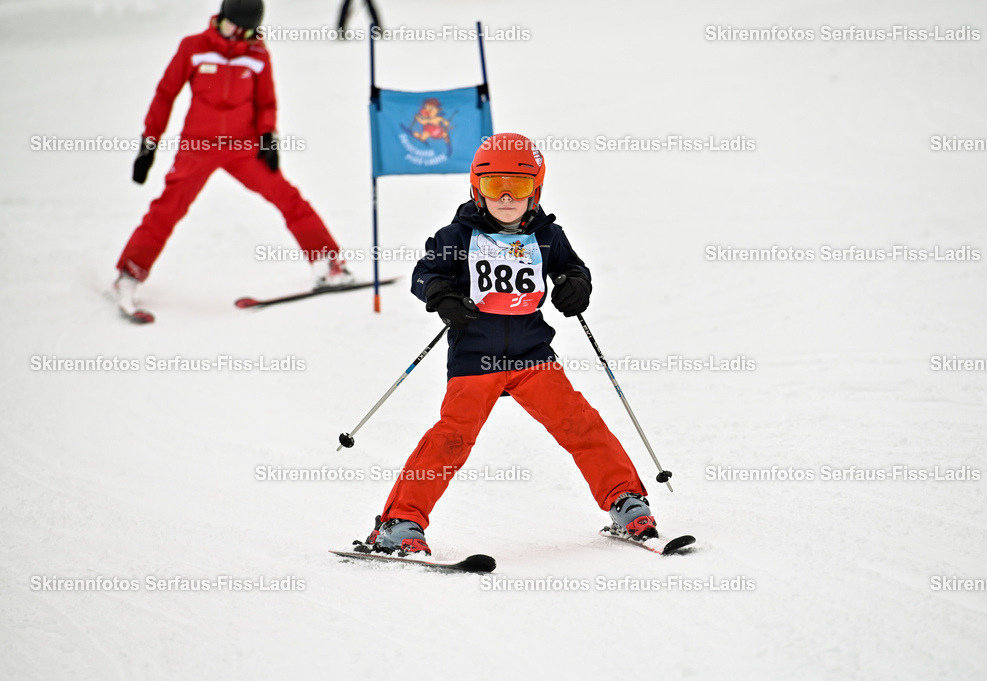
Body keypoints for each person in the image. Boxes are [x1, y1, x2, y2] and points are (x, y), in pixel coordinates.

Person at [365, 132, 655, 555]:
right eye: (493, 186)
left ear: (535, 191)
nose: (504, 197)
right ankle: (401, 522)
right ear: (475, 189)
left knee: (580, 424)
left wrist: (575, 286)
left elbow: (573, 269)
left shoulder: (547, 237)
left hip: (532, 355)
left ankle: (626, 500)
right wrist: (442, 297)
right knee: (451, 439)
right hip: (474, 360)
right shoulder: (456, 236)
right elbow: (424, 275)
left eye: (516, 187)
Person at [114, 0, 352, 312]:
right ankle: (129, 273)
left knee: (288, 198)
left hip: (243, 146)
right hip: (198, 146)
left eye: (245, 31)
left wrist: (268, 137)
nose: (235, 36)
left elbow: (266, 102)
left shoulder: (257, 55)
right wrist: (149, 143)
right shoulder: (193, 47)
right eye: (230, 27)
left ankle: (328, 263)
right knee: (167, 208)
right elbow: (165, 94)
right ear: (219, 19)